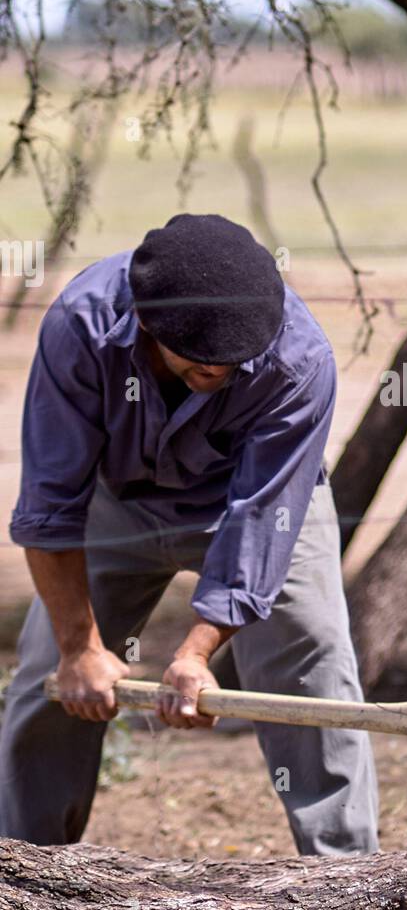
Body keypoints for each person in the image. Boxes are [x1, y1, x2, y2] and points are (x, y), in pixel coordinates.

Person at [0, 213, 378, 854]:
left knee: (313, 662)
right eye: (206, 364)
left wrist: (195, 655)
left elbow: (261, 521)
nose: (226, 374)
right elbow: (50, 505)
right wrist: (78, 648)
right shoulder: (81, 324)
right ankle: (22, 871)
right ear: (150, 326)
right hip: (115, 502)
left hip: (258, 505)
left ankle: (347, 876)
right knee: (47, 680)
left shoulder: (300, 359)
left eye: (239, 362)